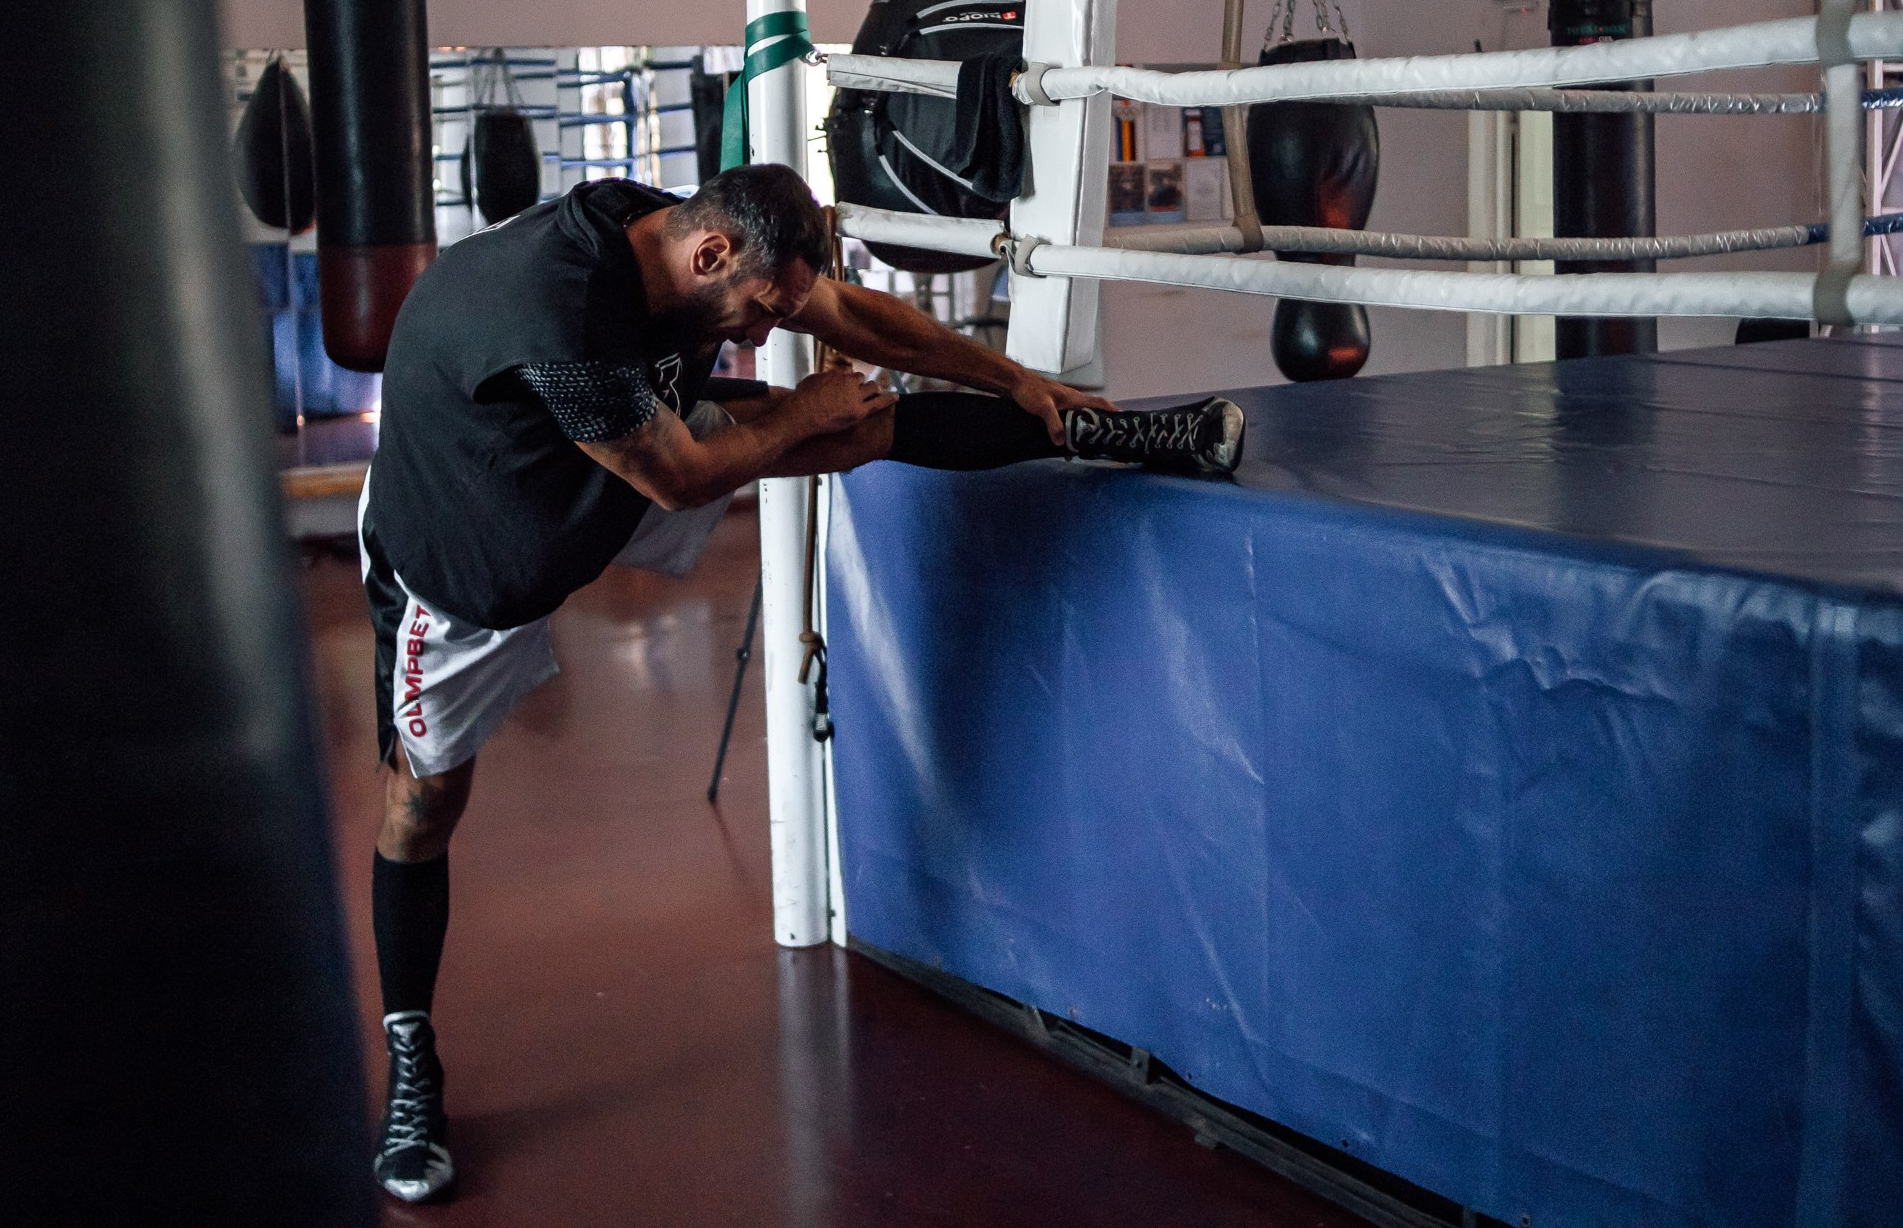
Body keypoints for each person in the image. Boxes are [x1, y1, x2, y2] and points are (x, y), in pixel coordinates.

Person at [357, 164, 1244, 1202]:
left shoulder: (698, 240)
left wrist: (1014, 379)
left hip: (615, 456)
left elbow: (859, 316)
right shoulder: (560, 313)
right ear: (711, 256)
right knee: (422, 803)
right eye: (758, 313)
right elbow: (683, 476)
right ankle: (410, 1056)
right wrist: (803, 406)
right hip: (469, 551)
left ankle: (1106, 431)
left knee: (855, 425)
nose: (765, 333)